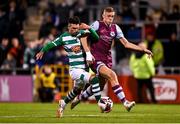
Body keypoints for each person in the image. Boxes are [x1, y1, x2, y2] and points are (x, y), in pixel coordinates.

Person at [71, 7, 153, 112]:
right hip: (96, 59)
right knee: (112, 75)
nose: (110, 18)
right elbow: (83, 37)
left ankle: (79, 98)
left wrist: (143, 49)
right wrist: (88, 53)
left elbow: (126, 44)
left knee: (99, 86)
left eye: (112, 16)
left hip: (107, 60)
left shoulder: (115, 28)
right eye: (108, 16)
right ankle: (126, 103)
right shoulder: (97, 24)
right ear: (103, 16)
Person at [36, 16, 102, 118]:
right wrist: (42, 51)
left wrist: (89, 28)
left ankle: (63, 104)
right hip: (75, 69)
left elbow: (96, 38)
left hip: (84, 68)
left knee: (76, 90)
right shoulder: (63, 37)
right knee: (95, 79)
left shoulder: (82, 33)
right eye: (73, 28)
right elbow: (51, 44)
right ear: (68, 27)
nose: (75, 30)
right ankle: (100, 103)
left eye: (77, 28)